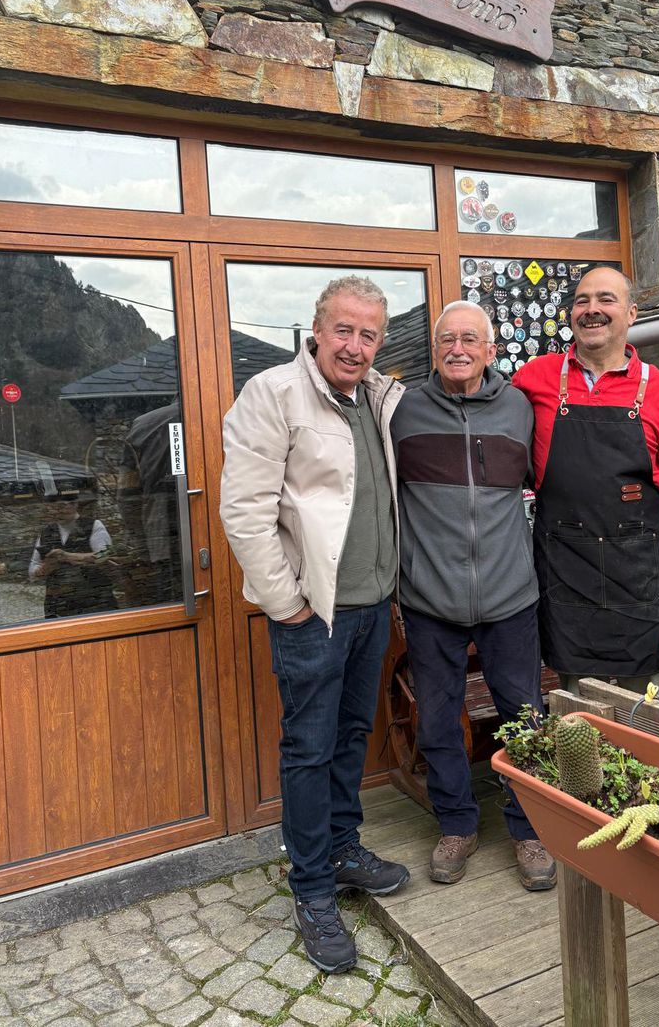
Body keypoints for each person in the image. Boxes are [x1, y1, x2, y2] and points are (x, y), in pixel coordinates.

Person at [219, 275, 410, 975]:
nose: (355, 345)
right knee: (308, 746)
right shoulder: (274, 394)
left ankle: (341, 846)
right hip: (314, 614)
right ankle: (313, 890)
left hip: (370, 607)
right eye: (344, 330)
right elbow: (244, 512)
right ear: (316, 329)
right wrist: (287, 602)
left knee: (351, 737)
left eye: (368, 334)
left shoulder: (378, 399)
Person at [390, 300, 556, 892]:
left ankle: (529, 826)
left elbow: (548, 482)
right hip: (430, 596)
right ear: (433, 351)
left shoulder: (519, 408)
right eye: (445, 340)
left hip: (511, 594)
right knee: (437, 718)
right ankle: (457, 824)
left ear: (491, 349)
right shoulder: (401, 410)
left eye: (470, 339)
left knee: (524, 717)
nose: (457, 348)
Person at [512, 266, 659, 697]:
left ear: (632, 313)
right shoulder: (532, 380)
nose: (592, 310)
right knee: (579, 723)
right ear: (570, 314)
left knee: (647, 719)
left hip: (642, 575)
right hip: (567, 575)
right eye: (582, 301)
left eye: (606, 299)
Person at [29, 492, 117, 617]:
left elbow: (106, 554)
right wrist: (46, 568)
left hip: (95, 603)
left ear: (75, 504)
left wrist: (67, 556)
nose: (56, 512)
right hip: (57, 606)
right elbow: (32, 570)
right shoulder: (46, 532)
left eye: (61, 507)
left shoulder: (94, 525)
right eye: (51, 508)